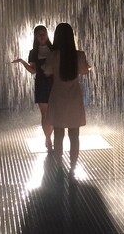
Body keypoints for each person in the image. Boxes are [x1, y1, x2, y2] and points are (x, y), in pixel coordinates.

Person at [43, 23, 90, 182]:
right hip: (74, 99)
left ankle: (58, 167)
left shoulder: (53, 55)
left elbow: (47, 71)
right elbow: (85, 71)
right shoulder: (79, 55)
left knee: (58, 134)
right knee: (74, 135)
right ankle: (73, 167)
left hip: (58, 98)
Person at [12, 25, 54, 152]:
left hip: (55, 84)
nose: (42, 36)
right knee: (45, 114)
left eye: (44, 33)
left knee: (55, 113)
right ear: (35, 37)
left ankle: (56, 138)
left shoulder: (54, 49)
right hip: (41, 84)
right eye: (39, 34)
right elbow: (32, 71)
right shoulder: (33, 53)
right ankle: (48, 138)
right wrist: (21, 61)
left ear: (47, 34)